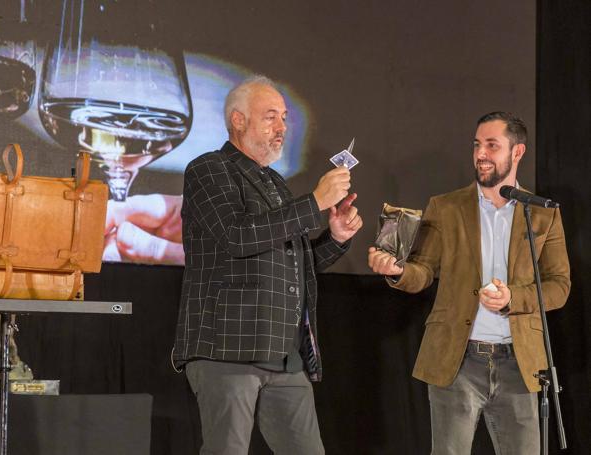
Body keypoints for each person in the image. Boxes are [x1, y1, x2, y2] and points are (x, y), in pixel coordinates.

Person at [172, 75, 362, 455]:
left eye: (285, 118)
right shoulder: (208, 168)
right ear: (238, 120)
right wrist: (314, 202)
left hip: (284, 352)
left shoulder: (274, 181)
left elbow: (296, 266)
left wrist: (336, 237)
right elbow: (236, 236)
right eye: (271, 117)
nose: (282, 128)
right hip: (227, 349)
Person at [368, 111, 570, 454]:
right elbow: (422, 271)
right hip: (458, 361)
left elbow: (559, 286)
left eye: (492, 145)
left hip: (519, 364)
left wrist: (513, 298)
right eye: (477, 144)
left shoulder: (541, 213)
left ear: (517, 152)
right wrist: (397, 272)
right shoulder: (446, 207)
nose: (481, 153)